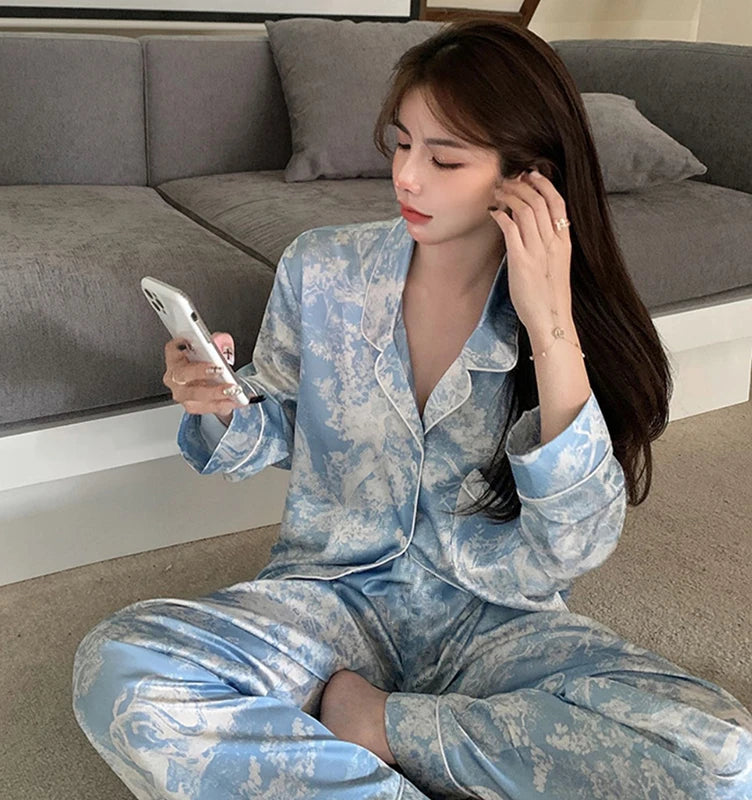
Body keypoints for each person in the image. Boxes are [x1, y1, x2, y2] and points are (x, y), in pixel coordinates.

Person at [72, 19, 752, 800]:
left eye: (444, 158)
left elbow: (574, 547)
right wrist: (221, 401)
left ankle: (379, 731)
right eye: (401, 143)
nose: (406, 176)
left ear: (528, 178)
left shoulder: (566, 321)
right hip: (329, 602)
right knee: (116, 666)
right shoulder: (323, 268)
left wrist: (550, 326)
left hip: (496, 622)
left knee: (722, 761)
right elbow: (279, 423)